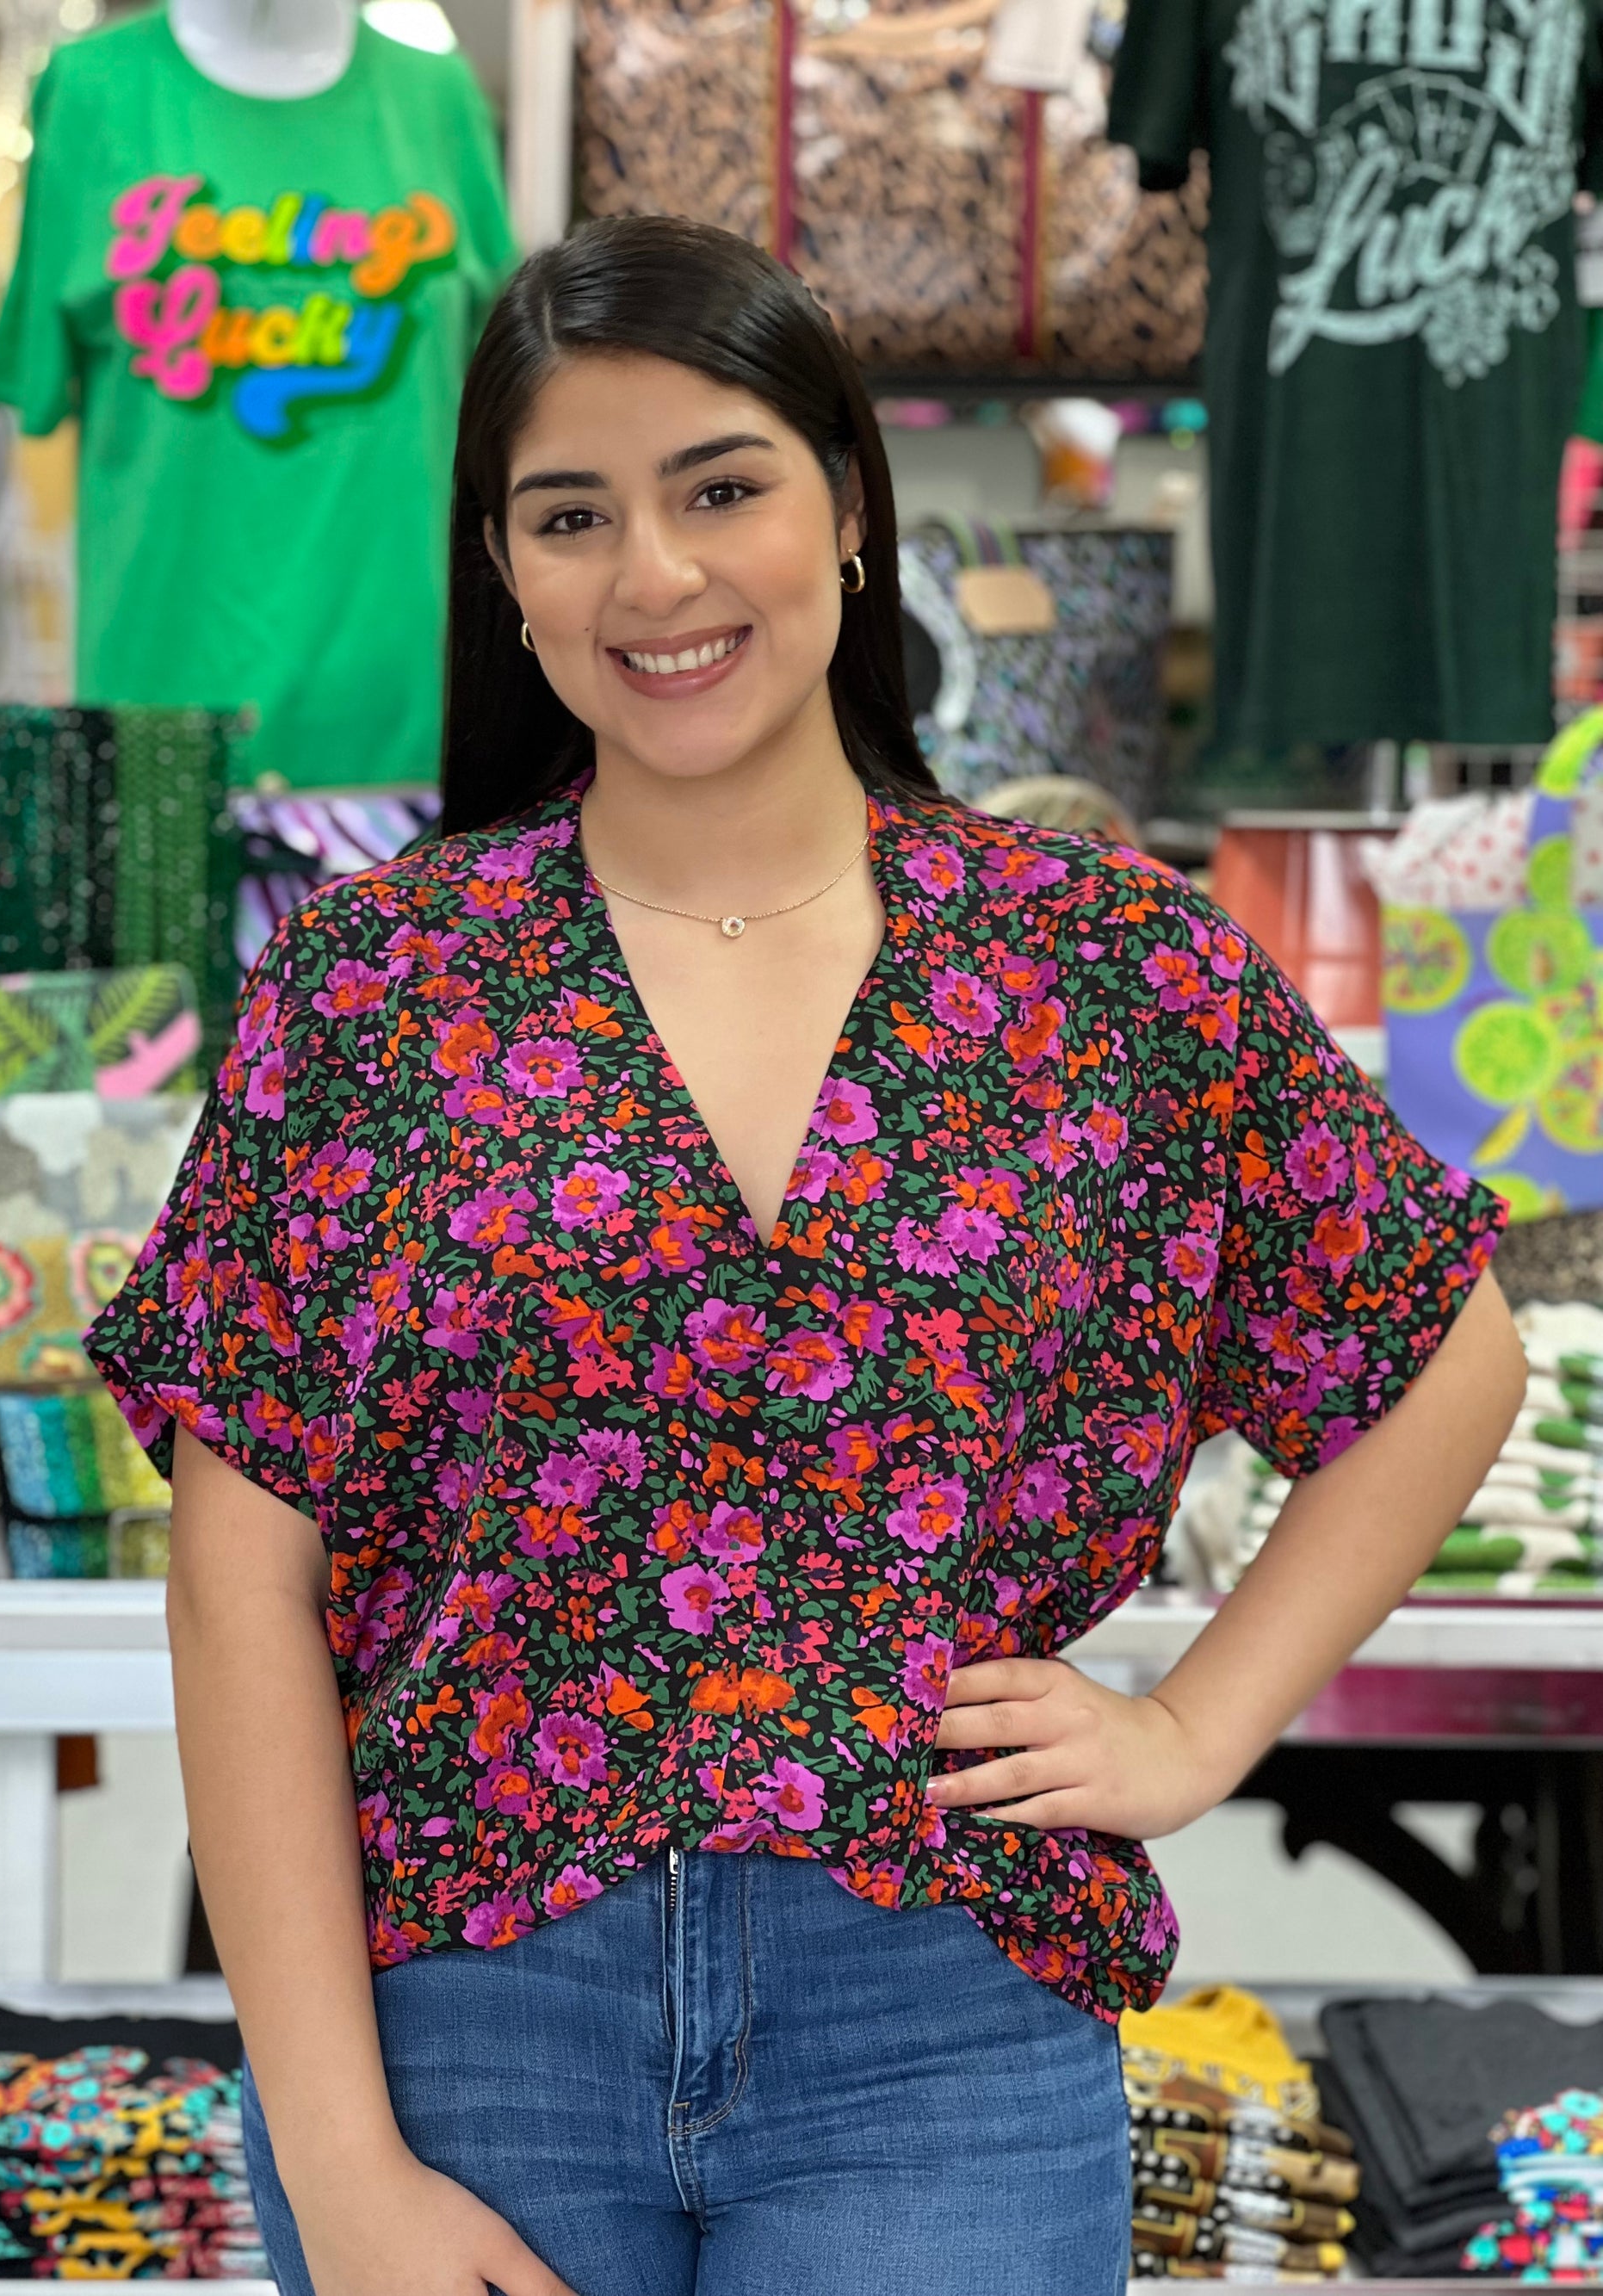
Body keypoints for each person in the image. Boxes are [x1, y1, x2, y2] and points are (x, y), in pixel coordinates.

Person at [85, 215, 1527, 2296]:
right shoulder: (376, 984)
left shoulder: (1098, 960)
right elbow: (240, 1586)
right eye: (570, 514)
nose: (654, 577)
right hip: (464, 2022)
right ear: (503, 569)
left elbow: (1436, 1345)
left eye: (721, 487)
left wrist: (1193, 1729)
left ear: (848, 512)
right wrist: (337, 2154)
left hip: (936, 2016)